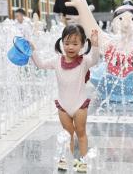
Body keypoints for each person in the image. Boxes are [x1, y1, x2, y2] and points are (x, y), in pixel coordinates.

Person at [30, 25, 99, 173]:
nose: (70, 47)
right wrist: (33, 51)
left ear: (82, 45)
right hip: (63, 105)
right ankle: (67, 158)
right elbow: (41, 65)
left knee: (81, 133)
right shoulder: (56, 61)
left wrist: (95, 45)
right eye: (67, 43)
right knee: (68, 135)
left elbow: (95, 59)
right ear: (62, 42)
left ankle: (84, 159)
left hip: (80, 105)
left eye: (75, 43)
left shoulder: (84, 61)